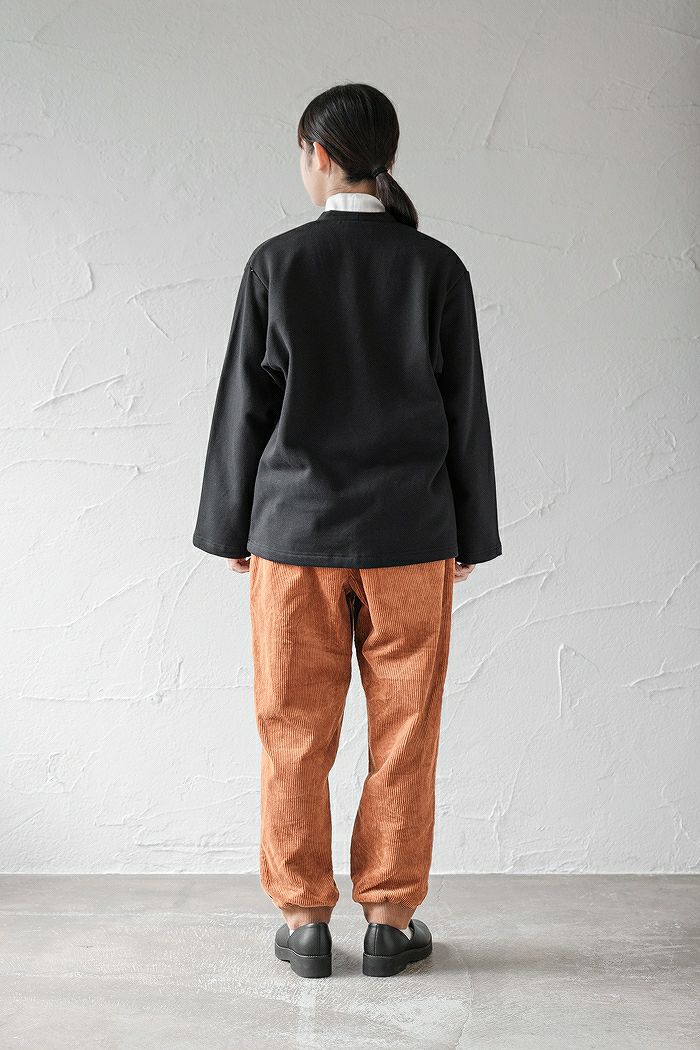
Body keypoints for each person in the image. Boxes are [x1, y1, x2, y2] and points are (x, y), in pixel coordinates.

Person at [192, 83, 502, 978]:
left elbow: (244, 406)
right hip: (411, 535)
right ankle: (390, 922)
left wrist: (231, 527)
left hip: (295, 537)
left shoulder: (276, 263)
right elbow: (465, 412)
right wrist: (469, 534)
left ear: (319, 154)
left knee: (292, 728)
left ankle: (303, 921)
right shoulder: (437, 268)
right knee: (407, 729)